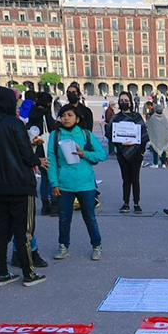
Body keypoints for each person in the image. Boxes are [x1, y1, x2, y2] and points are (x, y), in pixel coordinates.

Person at [0, 85, 47, 287]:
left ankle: (2, 272)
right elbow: (25, 153)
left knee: (2, 231)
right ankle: (28, 273)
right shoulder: (13, 123)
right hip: (20, 183)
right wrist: (37, 160)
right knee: (24, 232)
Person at [48, 104, 108, 261]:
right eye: (63, 115)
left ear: (77, 118)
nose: (66, 118)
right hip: (64, 184)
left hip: (85, 183)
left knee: (89, 217)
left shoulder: (85, 134)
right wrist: (54, 183)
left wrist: (85, 154)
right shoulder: (55, 136)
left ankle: (97, 245)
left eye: (69, 115)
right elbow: (51, 161)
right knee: (64, 217)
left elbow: (102, 154)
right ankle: (63, 246)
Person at [107, 95, 146, 213]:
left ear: (131, 102)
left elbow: (144, 134)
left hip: (136, 152)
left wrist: (141, 150)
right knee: (125, 178)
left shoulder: (137, 116)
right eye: (121, 100)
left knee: (135, 178)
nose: (123, 102)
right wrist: (120, 144)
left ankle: (136, 202)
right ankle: (126, 202)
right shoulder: (116, 117)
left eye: (126, 100)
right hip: (122, 152)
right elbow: (110, 134)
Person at [145, 99, 168, 169]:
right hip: (163, 136)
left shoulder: (153, 118)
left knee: (155, 150)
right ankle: (163, 163)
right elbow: (167, 127)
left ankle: (155, 163)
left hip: (156, 136)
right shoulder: (164, 118)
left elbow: (150, 126)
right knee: (163, 149)